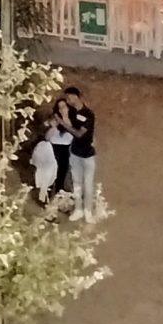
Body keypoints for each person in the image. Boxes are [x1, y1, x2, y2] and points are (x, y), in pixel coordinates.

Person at [62, 86, 99, 222]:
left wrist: (63, 123)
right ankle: (78, 209)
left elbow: (79, 133)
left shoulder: (88, 114)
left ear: (76, 96)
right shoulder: (71, 112)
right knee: (77, 183)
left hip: (87, 154)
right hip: (75, 153)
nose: (68, 100)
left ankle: (88, 211)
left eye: (69, 97)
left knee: (88, 183)